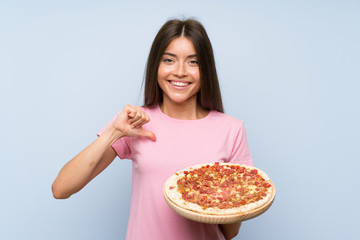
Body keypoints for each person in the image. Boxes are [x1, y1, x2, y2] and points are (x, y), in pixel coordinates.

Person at [52, 18, 253, 240]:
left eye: (193, 62)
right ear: (155, 66)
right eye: (169, 60)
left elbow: (231, 231)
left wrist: (216, 195)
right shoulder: (134, 121)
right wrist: (114, 132)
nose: (180, 71)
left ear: (206, 69)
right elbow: (61, 189)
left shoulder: (231, 129)